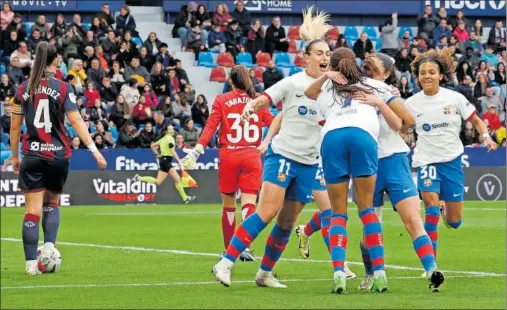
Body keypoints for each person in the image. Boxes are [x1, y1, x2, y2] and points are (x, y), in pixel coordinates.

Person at [207, 7, 332, 288]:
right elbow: (267, 100)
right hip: (283, 156)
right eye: (319, 53)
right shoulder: (292, 82)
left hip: (309, 163)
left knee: (288, 222)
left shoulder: (332, 88)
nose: (325, 57)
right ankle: (225, 263)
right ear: (305, 57)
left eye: (328, 53)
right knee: (267, 212)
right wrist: (252, 105)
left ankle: (264, 274)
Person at [304, 48, 399, 294]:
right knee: (367, 210)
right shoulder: (371, 83)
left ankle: (338, 273)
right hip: (363, 136)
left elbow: (307, 92)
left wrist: (327, 76)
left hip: (332, 138)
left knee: (338, 213)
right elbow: (399, 113)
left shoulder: (327, 88)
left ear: (333, 67)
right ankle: (379, 275)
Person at [8, 41, 106, 276]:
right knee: (52, 203)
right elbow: (75, 121)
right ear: (54, 61)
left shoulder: (23, 89)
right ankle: (49, 246)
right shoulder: (63, 88)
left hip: (32, 155)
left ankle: (31, 265)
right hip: (58, 156)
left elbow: (14, 127)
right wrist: (94, 149)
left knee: (32, 210)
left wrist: (14, 157)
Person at [406, 48, 497, 282]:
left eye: (432, 72)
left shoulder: (454, 98)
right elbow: (400, 126)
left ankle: (448, 210)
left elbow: (477, 121)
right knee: (430, 208)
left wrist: (486, 137)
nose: (427, 76)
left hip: (452, 162)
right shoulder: (411, 103)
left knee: (455, 222)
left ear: (440, 75)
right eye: (423, 72)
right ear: (417, 76)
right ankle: (431, 265)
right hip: (426, 160)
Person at [182, 65, 273, 261]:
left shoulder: (222, 100)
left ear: (230, 81)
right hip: (252, 155)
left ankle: (228, 250)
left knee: (229, 206)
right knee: (249, 204)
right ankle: (245, 246)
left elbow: (210, 127)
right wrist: (268, 142)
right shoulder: (257, 100)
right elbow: (273, 123)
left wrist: (197, 150)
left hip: (229, 155)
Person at [134, 125, 194, 204]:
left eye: (172, 129)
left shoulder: (163, 139)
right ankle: (185, 198)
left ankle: (139, 178)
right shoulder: (171, 139)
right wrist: (179, 161)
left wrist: (157, 154)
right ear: (166, 131)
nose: (172, 130)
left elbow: (152, 146)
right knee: (177, 179)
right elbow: (172, 151)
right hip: (166, 161)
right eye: (170, 129)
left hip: (163, 160)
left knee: (159, 181)